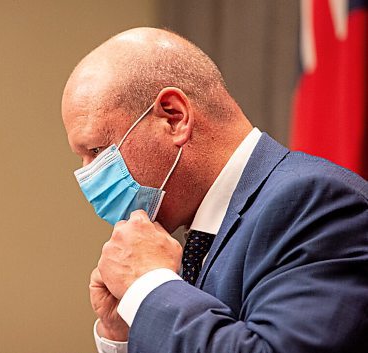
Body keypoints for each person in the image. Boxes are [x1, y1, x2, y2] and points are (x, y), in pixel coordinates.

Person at [61, 27, 368, 353]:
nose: (88, 176)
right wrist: (123, 330)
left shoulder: (317, 203)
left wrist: (149, 287)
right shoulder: (191, 243)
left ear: (174, 117)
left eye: (96, 150)